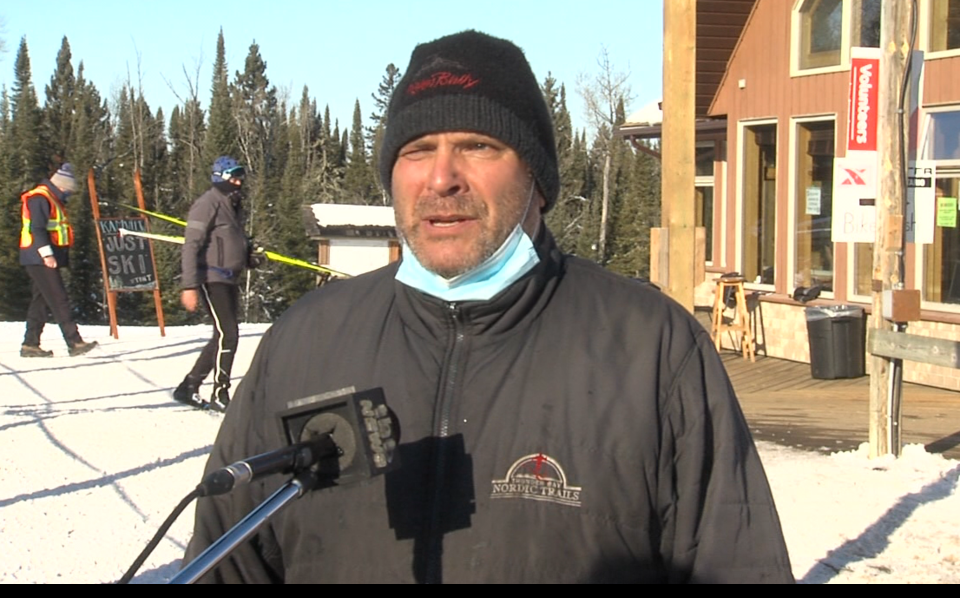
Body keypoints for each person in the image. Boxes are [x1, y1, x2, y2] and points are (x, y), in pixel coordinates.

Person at [184, 30, 794, 583]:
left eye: (478, 145)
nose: (442, 178)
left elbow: (737, 565)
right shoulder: (305, 342)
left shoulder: (649, 349)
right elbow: (226, 565)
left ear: (537, 178)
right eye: (418, 149)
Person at [173, 156, 257, 413]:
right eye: (233, 177)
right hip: (211, 277)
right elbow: (191, 245)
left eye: (240, 176)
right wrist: (189, 286)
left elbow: (231, 240)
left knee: (222, 335)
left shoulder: (233, 204)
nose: (239, 181)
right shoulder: (207, 203)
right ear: (220, 177)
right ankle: (221, 392)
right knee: (228, 333)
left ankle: (188, 387)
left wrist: (249, 256)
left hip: (229, 277)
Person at [19, 163, 98, 358]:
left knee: (41, 301)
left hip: (43, 257)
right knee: (58, 298)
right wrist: (47, 255)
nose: (68, 195)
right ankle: (74, 342)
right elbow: (36, 229)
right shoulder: (39, 198)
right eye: (68, 191)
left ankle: (30, 344)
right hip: (39, 257)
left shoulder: (51, 198)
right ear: (61, 186)